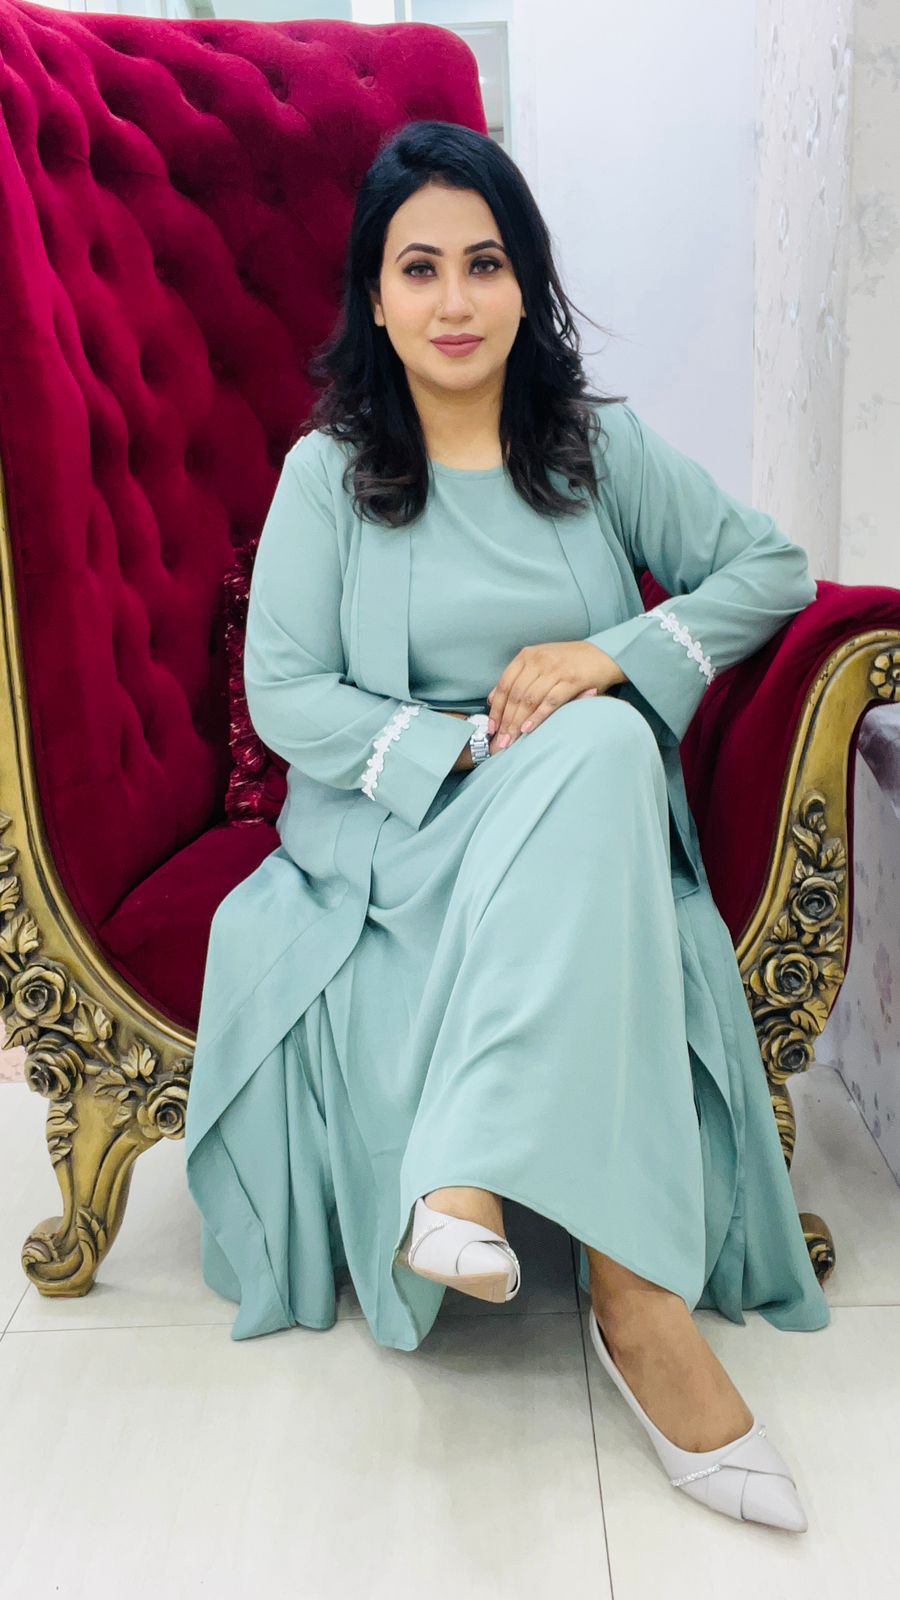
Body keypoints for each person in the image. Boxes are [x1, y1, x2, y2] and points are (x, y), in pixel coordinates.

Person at [184, 120, 828, 1531]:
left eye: (485, 263)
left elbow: (770, 567)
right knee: (590, 749)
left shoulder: (596, 447)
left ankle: (504, 1204)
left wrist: (614, 655)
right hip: (400, 826)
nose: (456, 300)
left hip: (581, 809)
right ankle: (639, 1303)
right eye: (419, 269)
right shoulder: (327, 474)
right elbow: (286, 692)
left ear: (527, 281)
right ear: (374, 296)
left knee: (598, 739)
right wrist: (467, 744)